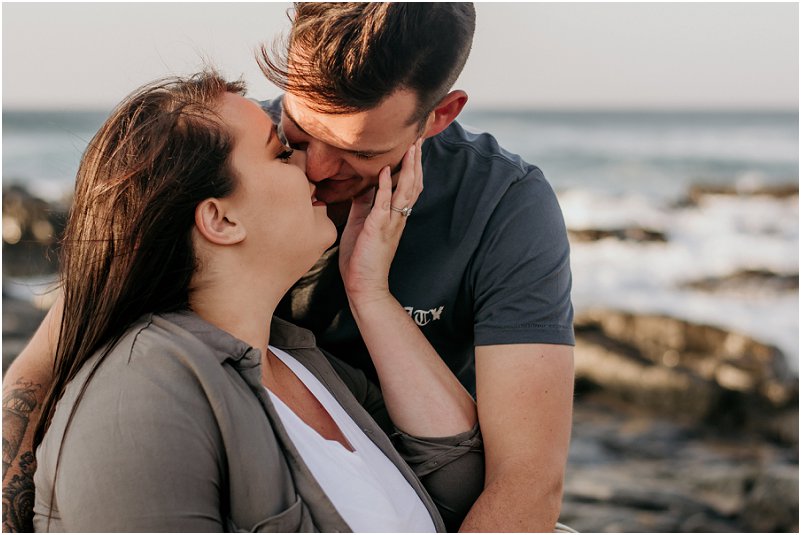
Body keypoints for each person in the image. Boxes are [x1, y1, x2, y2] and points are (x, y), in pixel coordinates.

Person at [4, 3, 575, 532]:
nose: (317, 169)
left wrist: (368, 292)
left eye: (359, 151)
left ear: (438, 117)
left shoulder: (503, 206)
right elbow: (41, 372)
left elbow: (523, 480)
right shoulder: (219, 163)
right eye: (297, 135)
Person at [28, 72, 483, 532]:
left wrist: (370, 291)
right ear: (220, 219)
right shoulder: (140, 396)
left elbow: (459, 480)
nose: (313, 168)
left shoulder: (305, 365)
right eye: (282, 152)